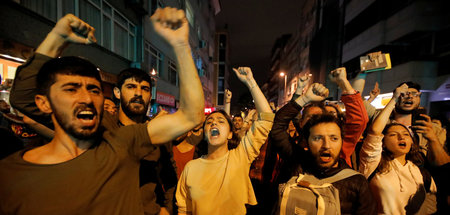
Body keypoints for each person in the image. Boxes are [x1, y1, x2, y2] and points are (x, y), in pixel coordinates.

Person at [0, 8, 204, 215]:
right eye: (71, 89)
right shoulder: (13, 175)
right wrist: (55, 39)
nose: (86, 98)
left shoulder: (124, 141)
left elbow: (190, 116)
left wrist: (180, 45)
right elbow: (23, 96)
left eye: (94, 90)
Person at [175, 67, 274, 215]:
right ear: (205, 133)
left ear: (229, 134)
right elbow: (184, 209)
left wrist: (250, 82)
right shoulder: (190, 168)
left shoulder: (240, 157)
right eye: (209, 122)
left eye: (221, 121)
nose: (213, 123)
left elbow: (266, 118)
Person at [359, 83, 437, 214]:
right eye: (393, 135)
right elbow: (374, 131)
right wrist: (393, 99)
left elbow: (430, 206)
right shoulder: (373, 165)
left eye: (406, 135)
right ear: (382, 142)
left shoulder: (421, 172)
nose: (402, 138)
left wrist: (433, 139)